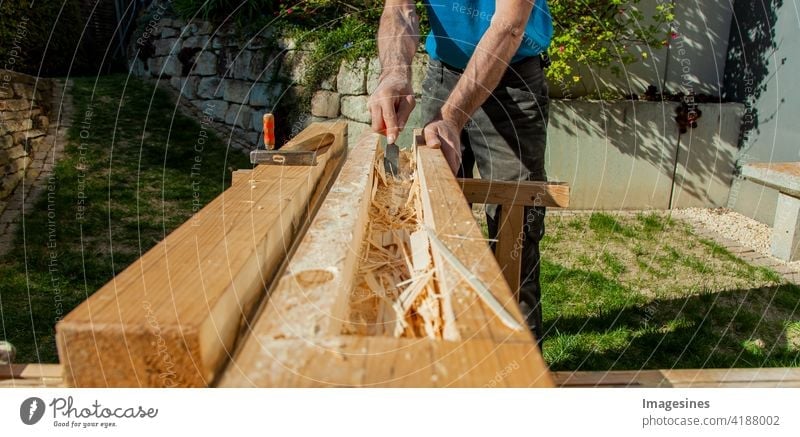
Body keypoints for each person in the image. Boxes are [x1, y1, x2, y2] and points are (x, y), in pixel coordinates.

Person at [368, 0, 552, 344]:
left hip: (512, 77)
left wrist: (452, 117)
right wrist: (394, 71)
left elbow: (509, 26)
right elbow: (399, 8)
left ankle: (520, 367)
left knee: (516, 228)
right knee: (432, 218)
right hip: (444, 74)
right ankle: (446, 349)